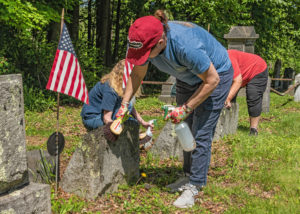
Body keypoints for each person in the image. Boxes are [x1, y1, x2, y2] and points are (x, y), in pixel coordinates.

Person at [114, 10, 233, 208]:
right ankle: (187, 175)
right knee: (183, 126)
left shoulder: (186, 46)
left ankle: (195, 185)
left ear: (160, 42)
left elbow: (212, 80)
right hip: (187, 77)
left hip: (216, 76)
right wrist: (125, 104)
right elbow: (137, 74)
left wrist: (186, 107)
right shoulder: (140, 40)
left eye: (145, 53)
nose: (142, 57)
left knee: (200, 132)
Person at [80, 59, 152, 131]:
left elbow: (127, 106)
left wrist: (142, 122)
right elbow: (106, 118)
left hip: (105, 116)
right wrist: (115, 129)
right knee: (127, 122)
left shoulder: (121, 87)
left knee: (133, 122)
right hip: (93, 118)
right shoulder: (110, 88)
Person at [225, 49, 268, 136]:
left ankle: (253, 129)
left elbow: (237, 81)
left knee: (253, 96)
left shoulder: (228, 58)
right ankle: (228, 126)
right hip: (241, 74)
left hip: (258, 68)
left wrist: (228, 98)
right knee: (226, 97)